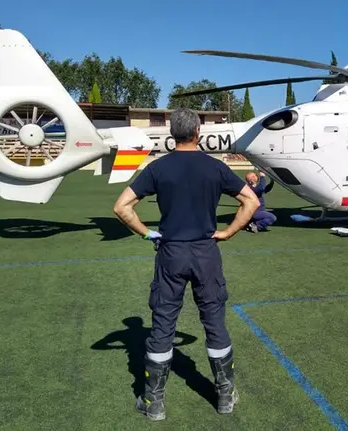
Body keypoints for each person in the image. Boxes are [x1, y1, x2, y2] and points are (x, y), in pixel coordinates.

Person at [112, 108, 260, 420]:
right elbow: (251, 201)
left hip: (171, 253)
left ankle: (153, 403)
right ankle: (225, 397)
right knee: (214, 323)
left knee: (163, 326)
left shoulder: (158, 167)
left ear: (172, 134)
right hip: (206, 253)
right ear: (197, 133)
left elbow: (122, 207)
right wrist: (228, 232)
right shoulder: (215, 166)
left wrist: (147, 233)